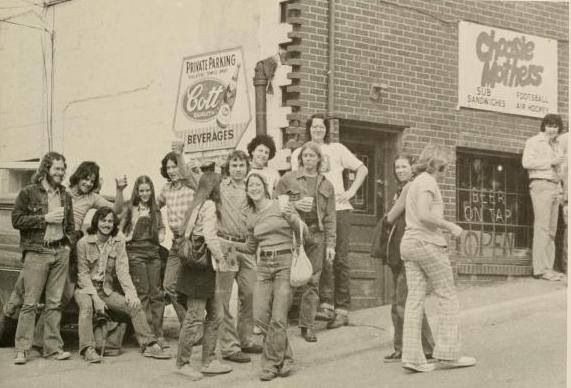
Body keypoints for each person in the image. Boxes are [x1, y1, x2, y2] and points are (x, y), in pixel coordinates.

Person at [3, 161, 128, 321]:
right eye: (86, 178)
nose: (88, 183)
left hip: (70, 244)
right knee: (24, 283)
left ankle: (40, 340)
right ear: (78, 177)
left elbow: (115, 210)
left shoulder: (91, 197)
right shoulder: (63, 191)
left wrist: (119, 190)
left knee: (64, 293)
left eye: (92, 181)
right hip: (48, 240)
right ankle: (7, 315)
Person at [400, 144, 475, 373]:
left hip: (409, 243)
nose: (445, 172)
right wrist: (450, 226)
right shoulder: (428, 182)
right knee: (447, 295)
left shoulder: (415, 183)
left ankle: (412, 358)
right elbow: (424, 214)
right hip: (428, 242)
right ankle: (448, 353)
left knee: (414, 299)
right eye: (444, 167)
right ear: (435, 164)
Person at [291, 113, 368, 329]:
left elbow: (363, 169)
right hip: (313, 213)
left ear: (326, 129)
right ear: (309, 129)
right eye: (314, 126)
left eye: (322, 127)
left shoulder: (337, 149)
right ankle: (324, 306)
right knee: (318, 259)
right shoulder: (300, 152)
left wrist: (351, 192)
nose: (318, 130)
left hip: (339, 209)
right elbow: (294, 181)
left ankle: (342, 309)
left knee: (340, 259)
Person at [75, 207, 171, 363]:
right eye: (103, 220)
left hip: (105, 290)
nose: (106, 224)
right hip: (86, 289)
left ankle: (149, 344)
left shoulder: (118, 241)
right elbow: (83, 275)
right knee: (86, 307)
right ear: (96, 222)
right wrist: (95, 298)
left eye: (110, 221)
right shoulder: (83, 243)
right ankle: (88, 349)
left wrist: (131, 293)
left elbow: (122, 270)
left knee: (134, 305)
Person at [239, 173, 308, 381]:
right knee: (260, 317)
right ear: (247, 190)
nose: (254, 188)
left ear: (265, 186)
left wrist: (292, 217)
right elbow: (251, 247)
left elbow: (303, 231)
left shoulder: (281, 205)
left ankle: (270, 364)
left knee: (278, 317)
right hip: (263, 267)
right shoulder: (250, 215)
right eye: (250, 185)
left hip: (284, 264)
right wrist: (228, 245)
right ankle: (286, 356)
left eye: (257, 184)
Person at [11, 152, 75, 364]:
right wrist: (44, 219)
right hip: (37, 251)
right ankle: (22, 349)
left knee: (54, 304)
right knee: (29, 303)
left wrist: (67, 245)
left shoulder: (65, 195)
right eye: (56, 168)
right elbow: (17, 220)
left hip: (59, 252)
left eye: (62, 168)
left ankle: (52, 348)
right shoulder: (29, 192)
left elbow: (71, 226)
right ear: (46, 168)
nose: (60, 172)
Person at [276, 142, 336, 343]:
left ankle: (307, 325)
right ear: (301, 159)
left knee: (313, 280)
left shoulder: (326, 184)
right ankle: (278, 323)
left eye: (312, 156)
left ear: (319, 159)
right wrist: (294, 204)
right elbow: (276, 204)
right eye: (305, 156)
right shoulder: (288, 179)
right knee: (290, 277)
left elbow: (330, 217)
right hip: (295, 231)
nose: (309, 159)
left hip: (317, 234)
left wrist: (331, 245)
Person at [175, 172, 233, 380]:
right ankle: (183, 362)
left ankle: (208, 360)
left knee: (215, 314)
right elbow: (209, 237)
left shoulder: (197, 203)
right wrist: (222, 258)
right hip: (201, 267)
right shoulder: (209, 205)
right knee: (195, 316)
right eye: (221, 184)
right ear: (215, 187)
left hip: (197, 266)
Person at [382, 154, 434, 363]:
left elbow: (391, 217)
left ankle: (427, 347)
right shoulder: (401, 190)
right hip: (398, 250)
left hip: (410, 249)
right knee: (398, 302)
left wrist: (386, 220)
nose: (400, 170)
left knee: (404, 302)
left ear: (412, 168)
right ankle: (401, 347)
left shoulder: (411, 188)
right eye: (397, 168)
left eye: (404, 166)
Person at [216, 150, 263, 364]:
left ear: (247, 167)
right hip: (226, 245)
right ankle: (229, 346)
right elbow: (193, 179)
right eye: (234, 165)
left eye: (241, 165)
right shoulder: (220, 186)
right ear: (228, 167)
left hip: (247, 246)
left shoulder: (253, 187)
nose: (237, 169)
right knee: (223, 298)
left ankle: (246, 339)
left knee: (250, 293)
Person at [121, 176, 166, 347]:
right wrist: (129, 236)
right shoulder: (130, 208)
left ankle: (158, 333)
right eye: (141, 191)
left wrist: (161, 235)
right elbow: (121, 229)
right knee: (143, 293)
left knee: (157, 293)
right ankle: (147, 335)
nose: (145, 194)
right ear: (137, 192)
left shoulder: (155, 210)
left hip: (153, 252)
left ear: (151, 191)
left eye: (148, 190)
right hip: (135, 253)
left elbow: (161, 228)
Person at [522, 114, 566, 281]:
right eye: (549, 125)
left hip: (555, 187)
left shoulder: (557, 145)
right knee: (542, 227)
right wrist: (550, 161)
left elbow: (560, 168)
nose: (552, 129)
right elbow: (526, 163)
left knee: (552, 230)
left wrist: (561, 189)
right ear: (543, 126)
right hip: (541, 184)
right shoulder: (534, 141)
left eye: (555, 126)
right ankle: (540, 269)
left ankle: (549, 268)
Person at [158, 149, 195, 324]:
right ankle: (189, 326)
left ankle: (193, 327)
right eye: (169, 167)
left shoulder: (191, 185)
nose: (172, 171)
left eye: (175, 166)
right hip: (176, 242)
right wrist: (160, 227)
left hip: (194, 241)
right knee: (169, 285)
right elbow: (152, 206)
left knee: (193, 288)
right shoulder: (166, 189)